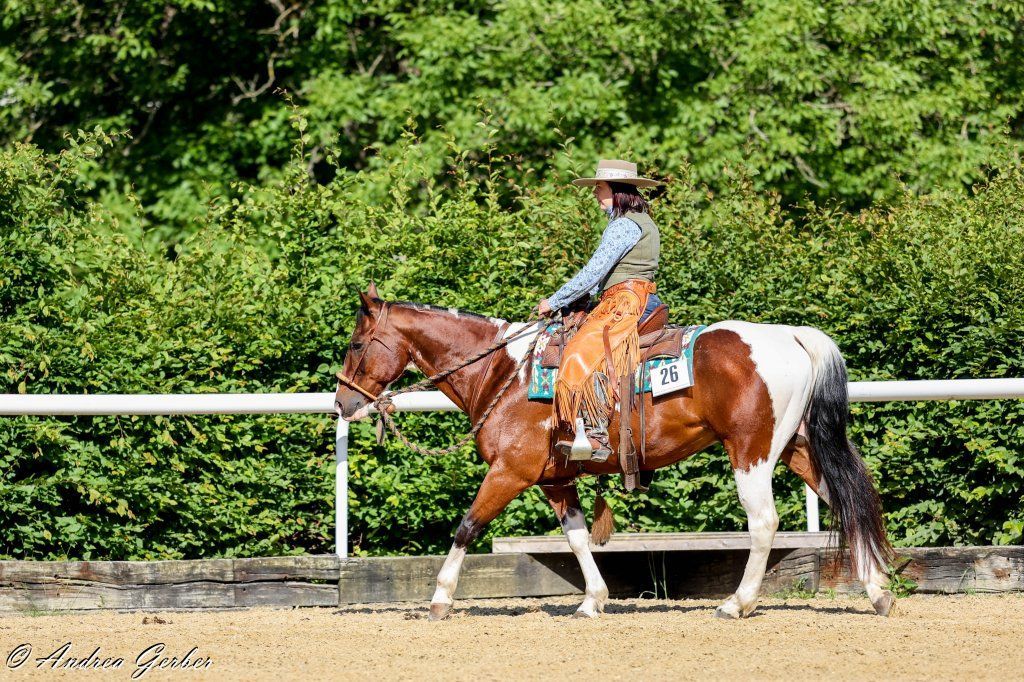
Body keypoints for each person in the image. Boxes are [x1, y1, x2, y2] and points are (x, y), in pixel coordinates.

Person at [535, 159, 664, 461]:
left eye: (600, 187)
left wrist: (554, 301)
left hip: (625, 302)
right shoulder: (638, 220)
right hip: (627, 296)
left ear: (617, 190)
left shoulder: (623, 225)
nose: (595, 193)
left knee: (584, 351)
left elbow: (594, 271)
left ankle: (596, 435)